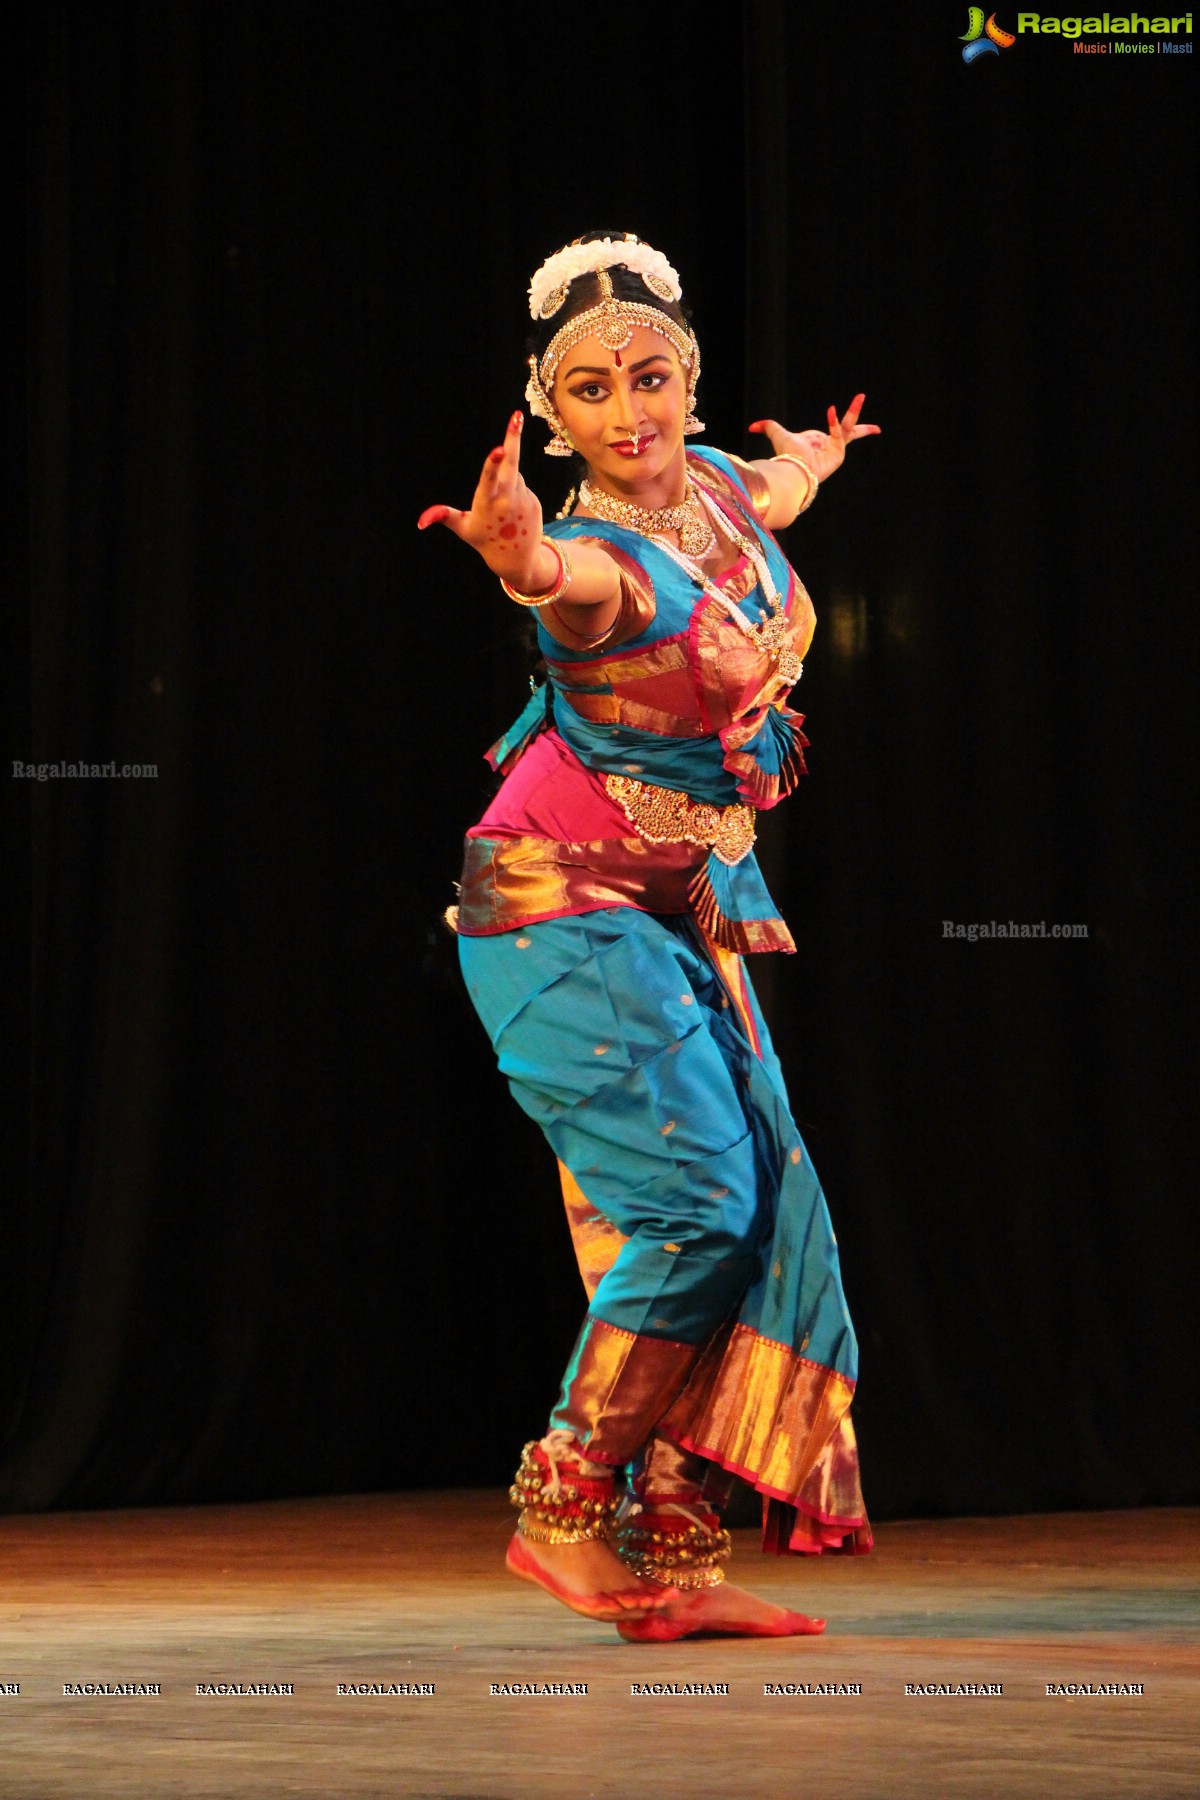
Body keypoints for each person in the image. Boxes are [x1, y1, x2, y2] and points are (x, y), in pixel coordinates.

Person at [418, 232, 878, 1642]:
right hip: (560, 899)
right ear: (550, 415)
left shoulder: (728, 495)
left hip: (683, 908)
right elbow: (562, 583)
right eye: (595, 391)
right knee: (697, 1206)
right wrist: (516, 559)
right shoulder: (605, 556)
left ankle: (674, 1556)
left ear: (691, 379)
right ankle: (561, 1506)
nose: (633, 414)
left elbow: (780, 487)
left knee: (747, 1210)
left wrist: (820, 459)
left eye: (655, 378)